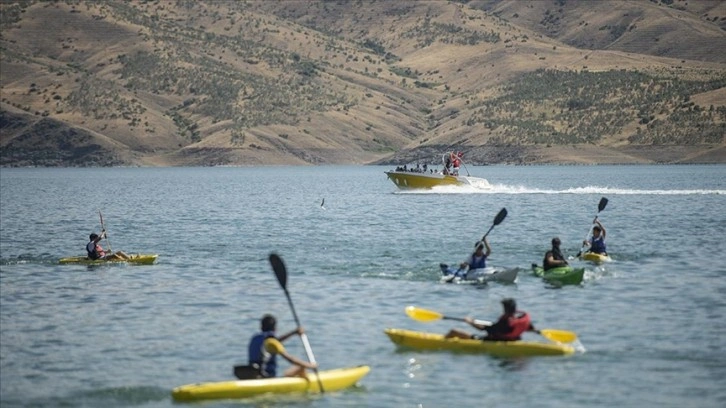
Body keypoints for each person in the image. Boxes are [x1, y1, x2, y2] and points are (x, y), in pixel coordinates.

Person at [247, 314, 317, 378]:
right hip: (266, 377)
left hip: (253, 373)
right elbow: (290, 359)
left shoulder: (255, 338)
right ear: (275, 328)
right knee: (301, 367)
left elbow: (275, 341)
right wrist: (310, 365)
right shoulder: (271, 342)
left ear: (261, 327)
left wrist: (293, 333)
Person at [445, 298, 537, 341]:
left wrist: (470, 322)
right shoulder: (520, 318)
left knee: (454, 331)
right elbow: (529, 328)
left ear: (505, 309)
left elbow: (482, 328)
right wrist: (536, 331)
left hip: (492, 341)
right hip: (515, 340)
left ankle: (443, 343)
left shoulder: (505, 322)